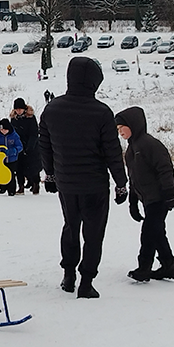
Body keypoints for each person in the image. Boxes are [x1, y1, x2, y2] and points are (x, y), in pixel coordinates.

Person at [39, 56, 128, 299]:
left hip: (67, 183)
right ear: (93, 82)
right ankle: (86, 282)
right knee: (94, 233)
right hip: (95, 186)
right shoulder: (101, 113)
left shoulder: (52, 109)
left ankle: (68, 275)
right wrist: (121, 183)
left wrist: (50, 174)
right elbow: (112, 152)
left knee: (70, 227)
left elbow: (44, 145)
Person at [115, 106, 174, 283]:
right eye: (118, 130)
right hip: (147, 199)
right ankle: (168, 265)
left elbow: (165, 169)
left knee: (148, 232)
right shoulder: (130, 150)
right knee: (157, 232)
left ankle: (144, 268)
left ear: (133, 125)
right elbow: (134, 179)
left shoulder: (150, 144)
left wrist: (169, 194)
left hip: (159, 198)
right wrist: (133, 202)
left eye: (122, 128)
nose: (120, 132)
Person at [10, 98, 41, 195]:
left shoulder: (30, 118)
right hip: (18, 147)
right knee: (19, 167)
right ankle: (21, 187)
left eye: (20, 109)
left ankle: (36, 184)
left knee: (32, 167)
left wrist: (30, 146)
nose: (18, 111)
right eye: (17, 109)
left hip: (31, 147)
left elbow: (34, 133)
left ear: (24, 108)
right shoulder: (14, 120)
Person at [0, 119, 24, 196]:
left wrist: (13, 151)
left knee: (10, 175)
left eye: (5, 129)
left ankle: (11, 190)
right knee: (1, 173)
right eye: (1, 129)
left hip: (12, 160)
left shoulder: (14, 136)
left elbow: (20, 147)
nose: (3, 131)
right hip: (1, 160)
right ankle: (2, 187)